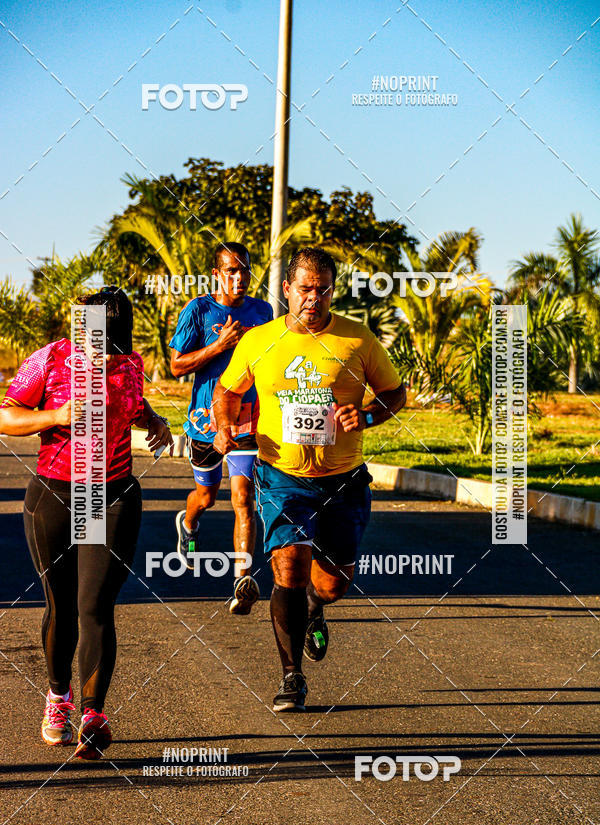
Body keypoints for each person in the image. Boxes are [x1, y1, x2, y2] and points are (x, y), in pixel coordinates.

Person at [212, 248, 407, 711]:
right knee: (289, 568)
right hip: (283, 475)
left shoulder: (357, 340)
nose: (313, 299)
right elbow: (227, 390)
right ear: (286, 290)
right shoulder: (260, 341)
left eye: (322, 290)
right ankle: (291, 676)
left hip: (343, 480)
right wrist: (223, 423)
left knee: (334, 582)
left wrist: (367, 415)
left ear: (332, 291)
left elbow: (395, 393)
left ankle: (319, 607)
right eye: (304, 289)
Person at [0, 287, 173, 757]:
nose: (101, 352)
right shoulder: (50, 359)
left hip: (110, 494)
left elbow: (132, 406)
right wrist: (54, 414)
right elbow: (6, 415)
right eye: (94, 339)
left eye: (112, 341)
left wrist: (155, 421)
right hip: (55, 493)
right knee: (61, 606)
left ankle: (93, 715)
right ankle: (58, 698)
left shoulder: (131, 364)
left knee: (95, 604)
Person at [170, 242, 272, 612]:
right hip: (203, 423)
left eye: (244, 269)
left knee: (243, 499)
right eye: (231, 270)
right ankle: (190, 521)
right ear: (216, 273)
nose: (239, 277)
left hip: (246, 419)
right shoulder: (198, 310)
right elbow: (177, 366)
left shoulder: (263, 312)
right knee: (207, 497)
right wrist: (220, 346)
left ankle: (242, 581)